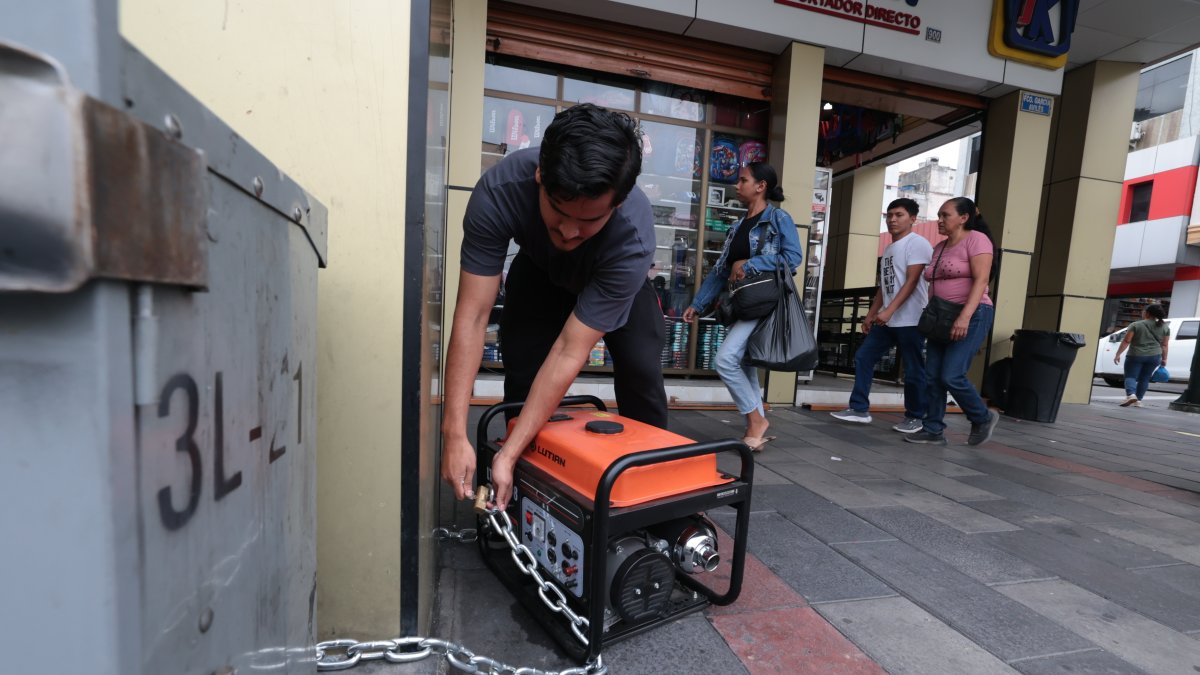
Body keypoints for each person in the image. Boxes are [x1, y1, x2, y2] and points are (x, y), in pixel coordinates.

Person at [440, 103, 666, 511]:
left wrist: (503, 453)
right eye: (558, 212)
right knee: (522, 368)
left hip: (614, 281)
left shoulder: (633, 235)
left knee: (640, 370)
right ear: (540, 176)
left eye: (589, 221)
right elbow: (472, 316)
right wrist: (454, 432)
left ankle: (649, 491)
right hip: (539, 272)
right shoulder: (499, 191)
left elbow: (569, 349)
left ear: (617, 203)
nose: (568, 230)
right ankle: (519, 483)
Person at [682, 163, 802, 452]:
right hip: (741, 303)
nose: (737, 185)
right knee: (743, 362)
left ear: (761, 186)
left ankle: (757, 420)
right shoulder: (737, 225)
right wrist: (698, 304)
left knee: (725, 360)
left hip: (764, 302)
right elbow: (721, 271)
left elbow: (793, 258)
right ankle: (754, 425)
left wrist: (751, 263)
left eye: (743, 180)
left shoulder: (778, 218)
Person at [905, 196, 1000, 447]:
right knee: (932, 376)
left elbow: (981, 281)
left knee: (951, 375)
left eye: (945, 215)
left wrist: (964, 317)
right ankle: (933, 429)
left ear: (964, 218)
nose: (940, 220)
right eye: (939, 215)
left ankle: (982, 417)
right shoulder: (940, 247)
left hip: (972, 313)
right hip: (940, 317)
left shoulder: (978, 240)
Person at [830, 198, 932, 433]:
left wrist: (889, 311)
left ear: (913, 219)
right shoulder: (889, 247)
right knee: (864, 357)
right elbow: (884, 286)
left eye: (899, 215)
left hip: (911, 319)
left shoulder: (917, 244)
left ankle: (916, 417)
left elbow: (912, 281)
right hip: (888, 319)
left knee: (914, 369)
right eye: (889, 215)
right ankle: (858, 409)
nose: (892, 219)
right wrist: (871, 313)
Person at [1114, 303, 1170, 408]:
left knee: (1130, 376)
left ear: (1147, 313)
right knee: (1144, 378)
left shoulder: (1136, 325)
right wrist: (1164, 359)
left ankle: (1131, 395)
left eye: (1144, 311)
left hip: (1136, 355)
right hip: (1154, 356)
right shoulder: (1165, 327)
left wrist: (1118, 354)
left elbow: (1126, 341)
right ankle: (1138, 400)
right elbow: (1165, 345)